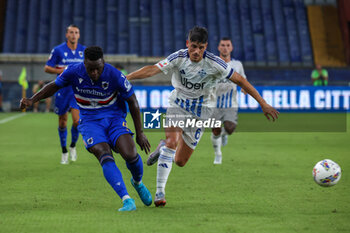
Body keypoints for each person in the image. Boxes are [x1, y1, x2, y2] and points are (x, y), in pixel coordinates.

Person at [127, 26, 279, 207]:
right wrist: (126, 78)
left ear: (206, 46)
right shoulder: (179, 57)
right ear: (187, 44)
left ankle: (162, 148)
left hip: (201, 113)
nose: (196, 51)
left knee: (180, 161)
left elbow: (240, 80)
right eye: (193, 46)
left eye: (200, 47)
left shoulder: (215, 64)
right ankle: (160, 192)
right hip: (178, 105)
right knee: (172, 142)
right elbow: (153, 69)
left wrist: (263, 103)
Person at [20, 46, 153, 211]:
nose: (95, 73)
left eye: (98, 69)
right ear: (84, 64)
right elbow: (54, 86)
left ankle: (137, 182)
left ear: (103, 63)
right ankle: (126, 199)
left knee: (131, 154)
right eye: (91, 69)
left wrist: (140, 133)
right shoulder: (74, 71)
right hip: (90, 122)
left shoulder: (114, 75)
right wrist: (32, 100)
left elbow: (132, 101)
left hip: (114, 119)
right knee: (103, 153)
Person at [44, 24, 85, 164]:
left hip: (77, 91)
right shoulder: (58, 50)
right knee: (62, 121)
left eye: (76, 32)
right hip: (62, 90)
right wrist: (62, 71)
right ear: (67, 35)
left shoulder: (84, 51)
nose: (74, 35)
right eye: (71, 32)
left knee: (77, 121)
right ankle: (64, 151)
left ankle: (73, 146)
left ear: (79, 35)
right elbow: (47, 68)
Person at [211, 37, 247, 164]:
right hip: (214, 103)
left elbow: (243, 80)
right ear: (218, 47)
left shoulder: (237, 65)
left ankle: (224, 134)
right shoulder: (213, 64)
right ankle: (218, 155)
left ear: (231, 48)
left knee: (230, 128)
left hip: (230, 103)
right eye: (222, 45)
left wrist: (244, 88)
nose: (225, 47)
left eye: (227, 45)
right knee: (215, 130)